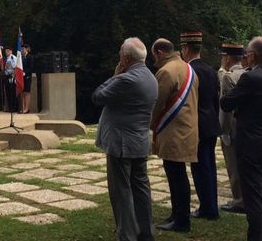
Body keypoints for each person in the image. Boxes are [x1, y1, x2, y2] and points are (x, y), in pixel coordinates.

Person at [92, 37, 157, 241]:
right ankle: (145, 232)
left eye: (121, 53)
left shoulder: (126, 79)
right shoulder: (150, 77)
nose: (119, 56)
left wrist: (116, 75)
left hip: (121, 143)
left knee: (121, 192)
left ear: (126, 58)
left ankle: (127, 234)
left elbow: (98, 96)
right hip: (139, 141)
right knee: (141, 189)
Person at [221, 37, 262, 241]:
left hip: (251, 145)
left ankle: (256, 236)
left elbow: (227, 103)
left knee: (254, 197)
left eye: (248, 52)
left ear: (253, 55)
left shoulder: (251, 78)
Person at [150, 38, 198, 233]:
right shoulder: (188, 68)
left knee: (176, 176)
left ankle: (181, 220)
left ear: (160, 52)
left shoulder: (166, 71)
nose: (154, 60)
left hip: (173, 131)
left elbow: (157, 103)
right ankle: (177, 214)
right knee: (177, 175)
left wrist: (150, 124)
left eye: (154, 55)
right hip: (187, 128)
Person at [180, 32, 221, 220]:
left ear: (186, 49)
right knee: (209, 166)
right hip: (211, 122)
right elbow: (215, 99)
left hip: (197, 124)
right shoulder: (210, 69)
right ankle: (211, 204)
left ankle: (208, 208)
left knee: (201, 168)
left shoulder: (188, 71)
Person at [218, 43, 246, 214]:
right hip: (245, 127)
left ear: (227, 58)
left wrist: (224, 130)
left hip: (233, 128)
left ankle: (239, 201)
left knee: (234, 166)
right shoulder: (247, 74)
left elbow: (225, 109)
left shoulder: (229, 77)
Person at [21, 44, 34, 113]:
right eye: (21, 49)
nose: (22, 50)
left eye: (23, 49)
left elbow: (31, 67)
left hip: (27, 77)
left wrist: (25, 73)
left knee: (27, 92)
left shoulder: (30, 57)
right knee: (22, 92)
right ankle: (23, 107)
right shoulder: (20, 57)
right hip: (21, 77)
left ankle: (27, 108)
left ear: (26, 49)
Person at [3, 47, 18, 112]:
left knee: (12, 93)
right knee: (8, 92)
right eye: (6, 51)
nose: (6, 52)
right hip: (6, 76)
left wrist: (13, 77)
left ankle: (14, 108)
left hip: (11, 76)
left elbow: (15, 68)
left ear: (11, 51)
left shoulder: (13, 58)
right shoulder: (6, 59)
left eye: (8, 51)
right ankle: (10, 107)